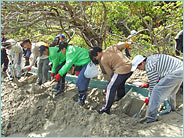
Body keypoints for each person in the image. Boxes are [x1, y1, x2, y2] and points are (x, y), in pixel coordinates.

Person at [131, 54, 183, 123]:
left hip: (176, 71)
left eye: (138, 66)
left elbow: (153, 87)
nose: (138, 69)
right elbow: (158, 76)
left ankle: (151, 117)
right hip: (180, 69)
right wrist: (148, 85)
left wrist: (149, 98)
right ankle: (172, 108)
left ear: (143, 62)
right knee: (171, 91)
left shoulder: (149, 67)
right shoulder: (151, 59)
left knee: (156, 91)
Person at [89, 41, 133, 114]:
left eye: (95, 57)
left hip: (121, 69)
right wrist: (128, 43)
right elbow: (122, 44)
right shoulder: (111, 48)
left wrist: (112, 79)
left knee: (110, 87)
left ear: (98, 53)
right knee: (120, 83)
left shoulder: (103, 59)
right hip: (129, 66)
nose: (96, 59)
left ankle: (106, 108)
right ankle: (120, 98)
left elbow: (110, 73)